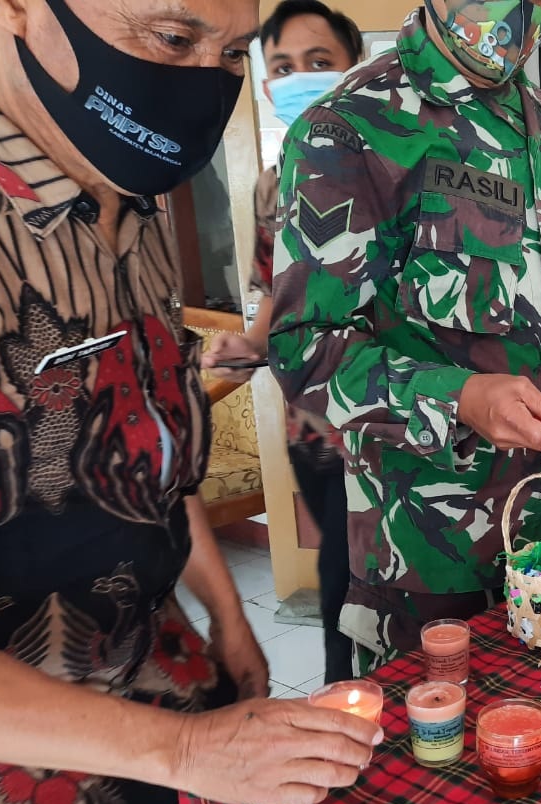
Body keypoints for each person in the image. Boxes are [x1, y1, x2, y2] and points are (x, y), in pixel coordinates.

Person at [0, 0, 381, 804]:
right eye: (170, 38)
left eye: (232, 51)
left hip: (171, 727)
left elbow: (147, 461)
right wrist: (188, 750)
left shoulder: (131, 193)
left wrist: (230, 626)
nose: (204, 79)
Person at [268, 0, 541, 659]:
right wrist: (460, 397)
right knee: (443, 752)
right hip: (434, 558)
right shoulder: (351, 129)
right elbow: (304, 351)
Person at [203, 0, 364, 683]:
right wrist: (245, 346)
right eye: (285, 69)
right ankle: (345, 707)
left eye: (320, 64)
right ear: (267, 87)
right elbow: (271, 289)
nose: (302, 78)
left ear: (358, 71)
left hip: (395, 429)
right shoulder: (274, 182)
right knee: (339, 584)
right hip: (314, 431)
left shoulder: (396, 167)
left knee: (395, 589)